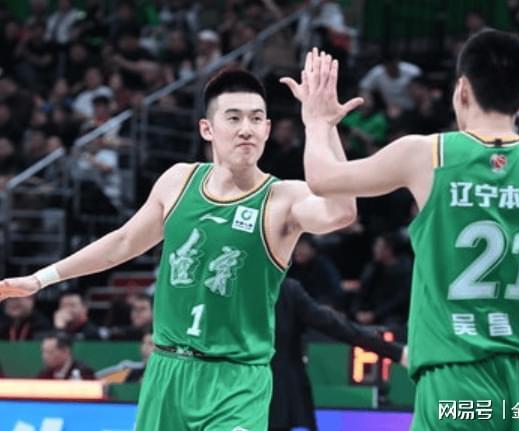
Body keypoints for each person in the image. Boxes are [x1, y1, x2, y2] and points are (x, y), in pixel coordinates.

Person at [280, 36, 519, 430]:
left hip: (457, 376)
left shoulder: (426, 155)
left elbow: (323, 179)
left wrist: (318, 121)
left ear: (462, 90)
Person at [0, 68, 356, 430]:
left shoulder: (283, 197)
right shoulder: (178, 180)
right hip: (167, 372)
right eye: (234, 118)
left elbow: (341, 211)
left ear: (267, 129)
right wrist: (40, 279)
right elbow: (123, 242)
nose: (246, 129)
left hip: (236, 380)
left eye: (256, 119)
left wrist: (322, 126)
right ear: (207, 129)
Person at [270, 278, 407, 431]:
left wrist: (395, 352)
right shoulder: (285, 289)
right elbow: (336, 326)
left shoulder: (283, 290)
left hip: (267, 400)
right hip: (278, 400)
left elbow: (334, 325)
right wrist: (396, 352)